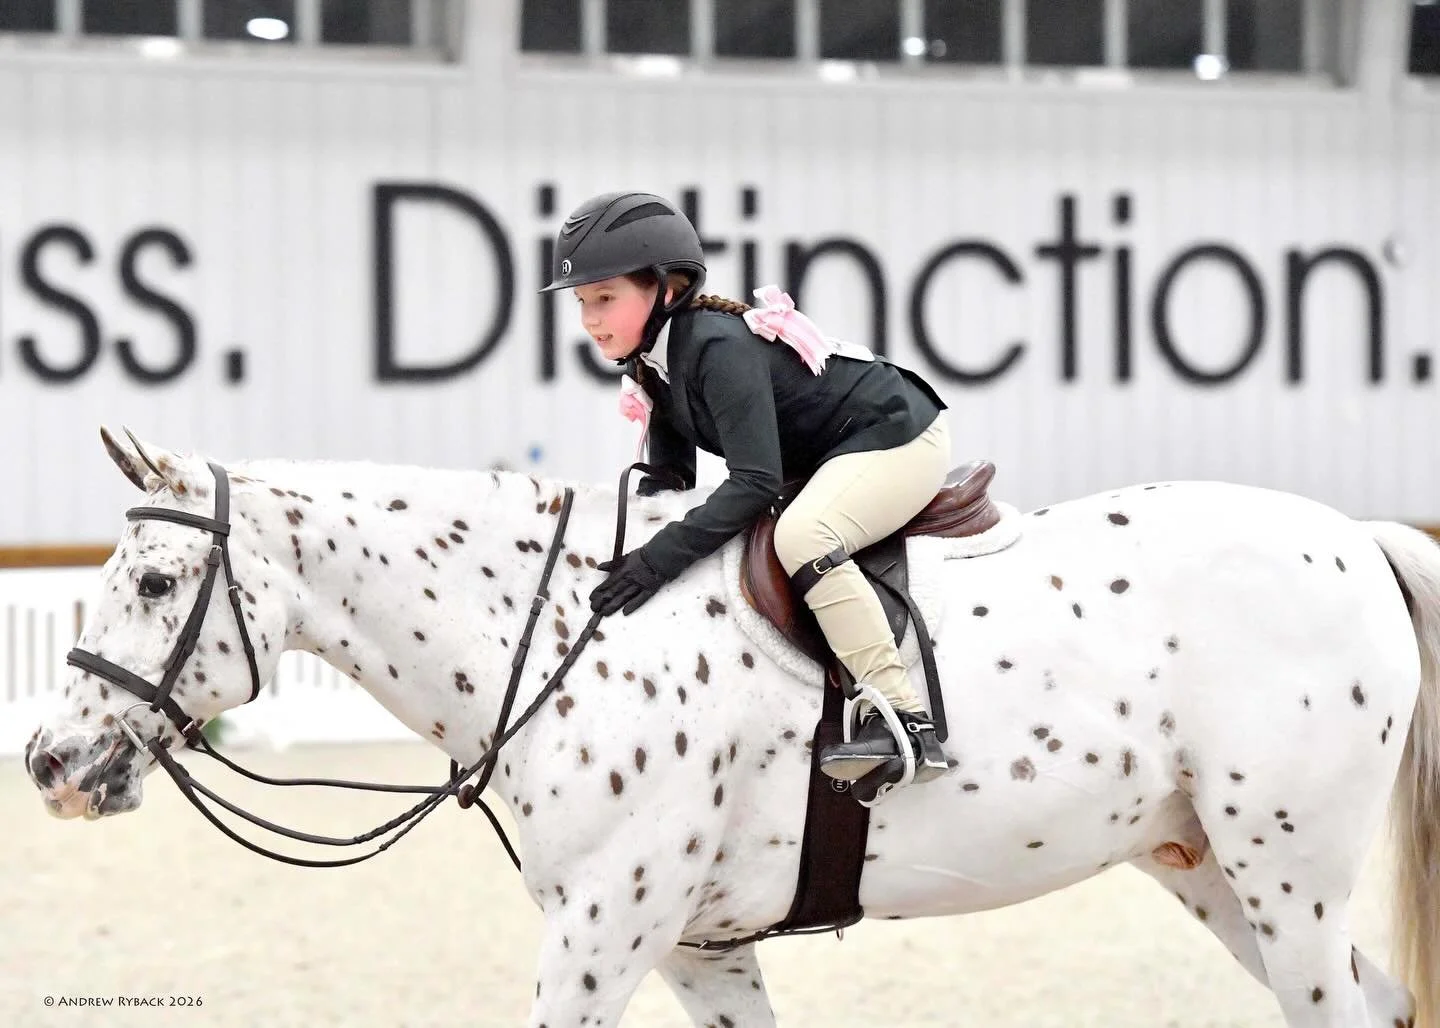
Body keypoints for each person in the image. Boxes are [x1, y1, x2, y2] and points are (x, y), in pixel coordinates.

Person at [540, 190, 954, 795]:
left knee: (804, 534)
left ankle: (903, 718)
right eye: (582, 302)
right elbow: (673, 481)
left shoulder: (715, 346)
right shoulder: (651, 358)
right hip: (835, 451)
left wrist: (654, 563)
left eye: (605, 298)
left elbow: (755, 483)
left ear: (667, 289)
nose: (590, 320)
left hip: (895, 433)